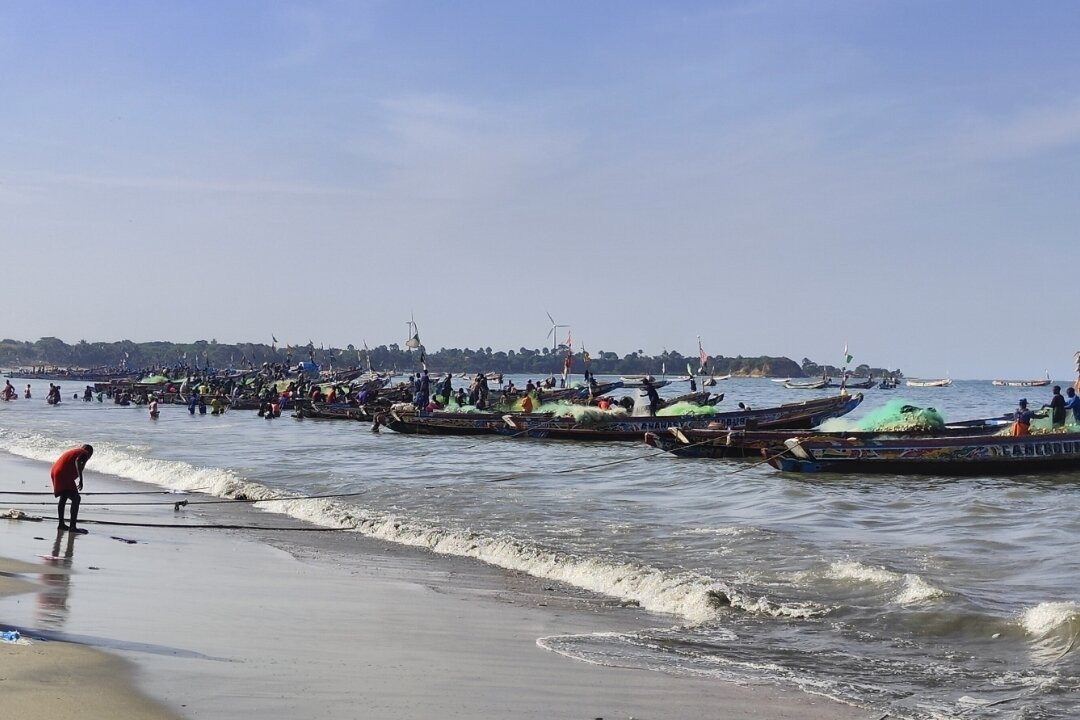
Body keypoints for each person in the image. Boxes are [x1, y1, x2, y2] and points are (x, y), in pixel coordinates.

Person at [50, 445, 93, 533]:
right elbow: (77, 461)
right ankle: (73, 527)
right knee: (76, 499)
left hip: (55, 471)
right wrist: (81, 479)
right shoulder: (84, 453)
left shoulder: (75, 451)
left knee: (64, 497)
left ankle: (61, 524)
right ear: (89, 453)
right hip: (63, 474)